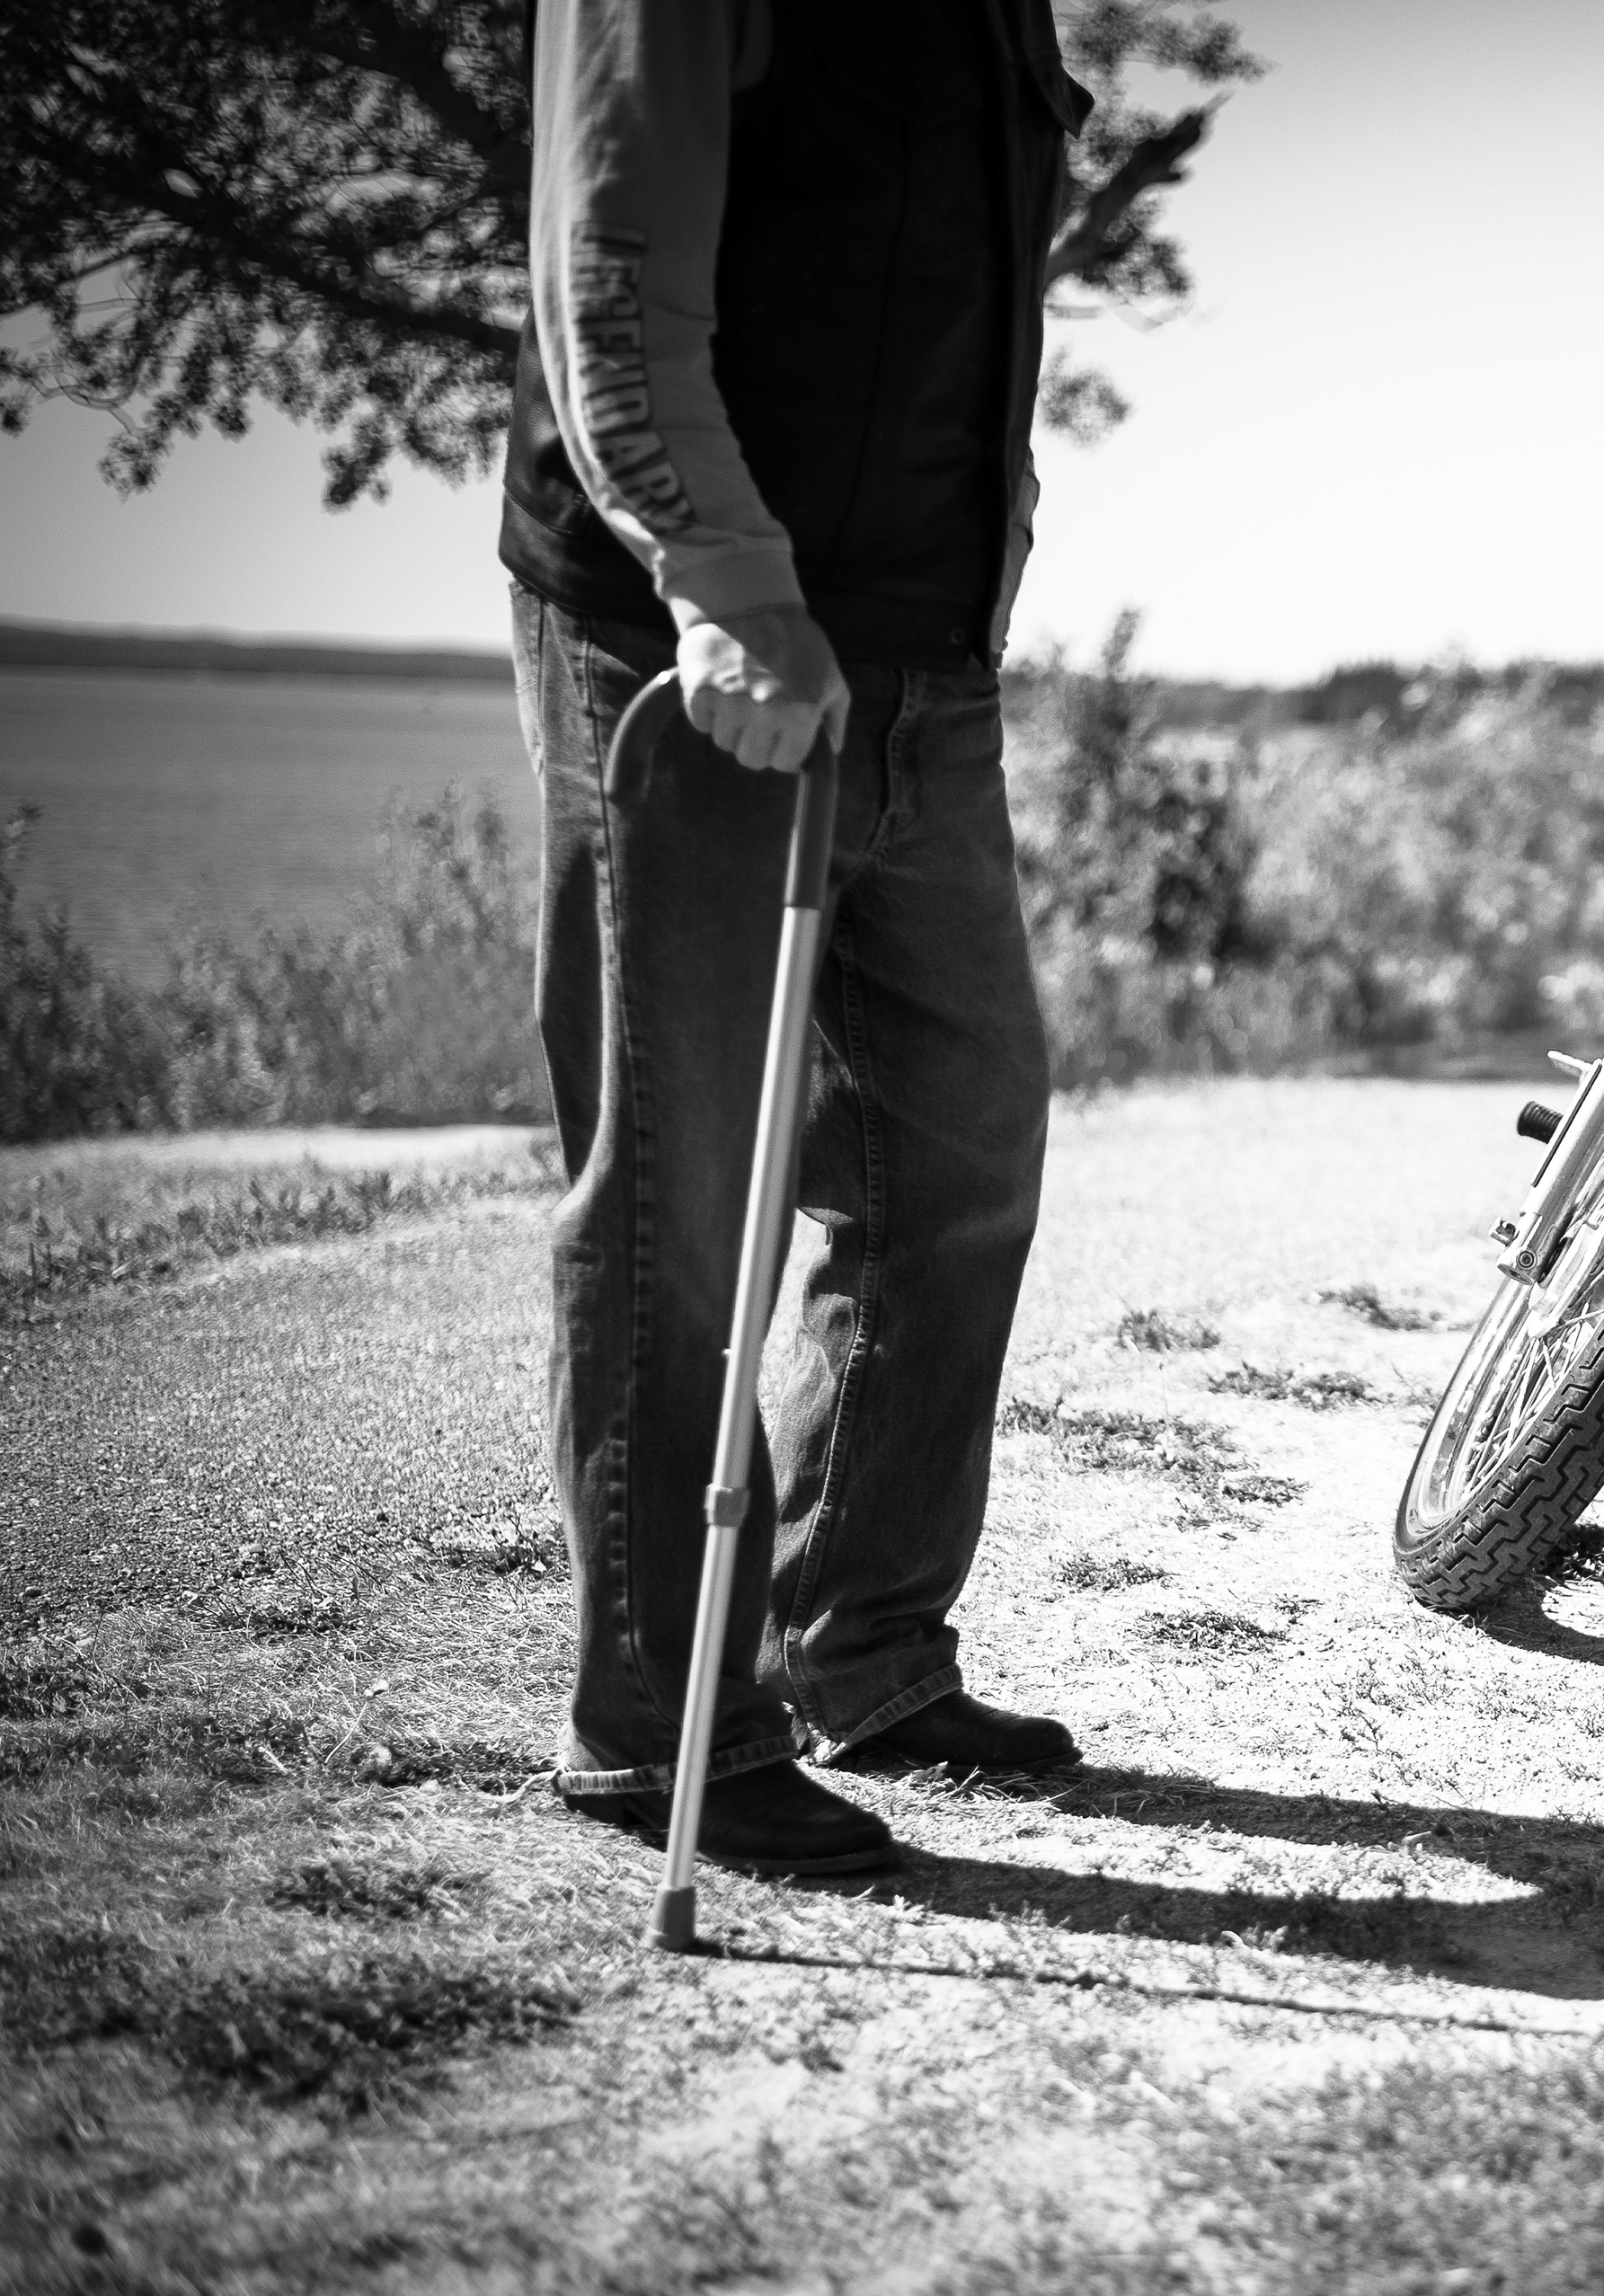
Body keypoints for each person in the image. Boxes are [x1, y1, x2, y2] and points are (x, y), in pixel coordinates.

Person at [500, 0, 1096, 1875]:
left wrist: (979, 569)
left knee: (958, 1146)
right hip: (693, 637)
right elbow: (607, 272)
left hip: (920, 650)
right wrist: (728, 584)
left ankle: (858, 1641)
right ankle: (663, 1724)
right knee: (684, 1196)